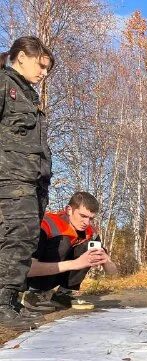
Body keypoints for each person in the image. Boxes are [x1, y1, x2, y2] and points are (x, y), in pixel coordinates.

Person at [0, 36, 54, 329]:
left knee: (25, 239)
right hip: (10, 179)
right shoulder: (4, 85)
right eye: (41, 65)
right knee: (15, 238)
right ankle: (1, 304)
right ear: (21, 56)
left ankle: (10, 302)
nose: (44, 73)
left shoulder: (28, 97)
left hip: (31, 182)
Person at [23, 192, 116, 311]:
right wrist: (77, 263)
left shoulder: (90, 233)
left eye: (91, 218)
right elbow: (27, 269)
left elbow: (113, 273)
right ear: (69, 210)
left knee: (87, 246)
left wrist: (106, 261)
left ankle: (64, 294)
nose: (86, 223)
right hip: (29, 278)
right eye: (82, 216)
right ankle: (34, 292)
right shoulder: (45, 224)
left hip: (58, 273)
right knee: (63, 242)